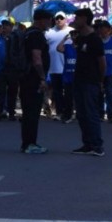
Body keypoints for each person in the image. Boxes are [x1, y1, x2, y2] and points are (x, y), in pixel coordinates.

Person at [71, 8, 106, 157]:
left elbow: (102, 62)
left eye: (77, 18)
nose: (75, 20)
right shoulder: (80, 38)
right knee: (81, 114)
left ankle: (97, 146)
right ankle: (87, 144)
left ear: (84, 19)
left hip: (91, 81)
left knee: (91, 113)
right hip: (79, 80)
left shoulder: (94, 39)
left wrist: (100, 80)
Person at [19, 9, 52, 154]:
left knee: (28, 111)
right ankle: (30, 143)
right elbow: (36, 58)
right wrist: (42, 78)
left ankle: (27, 143)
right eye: (48, 19)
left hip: (25, 76)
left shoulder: (27, 33)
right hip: (33, 78)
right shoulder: (36, 35)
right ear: (41, 20)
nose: (50, 22)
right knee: (32, 111)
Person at [46, 12, 72, 120]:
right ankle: (59, 112)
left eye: (61, 18)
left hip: (68, 68)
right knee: (57, 92)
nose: (59, 20)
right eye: (57, 18)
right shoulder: (49, 32)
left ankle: (69, 112)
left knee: (69, 92)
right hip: (53, 67)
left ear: (65, 19)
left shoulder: (71, 31)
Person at [97, 20, 112, 122]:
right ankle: (100, 114)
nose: (102, 31)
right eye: (100, 29)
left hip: (111, 72)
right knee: (99, 93)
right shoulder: (97, 41)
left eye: (104, 29)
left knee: (109, 93)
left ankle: (111, 115)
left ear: (108, 30)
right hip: (99, 72)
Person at [55, 30, 78, 123]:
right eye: (72, 35)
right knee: (68, 97)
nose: (74, 36)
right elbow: (58, 48)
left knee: (78, 97)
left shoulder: (81, 47)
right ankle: (68, 115)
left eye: (76, 34)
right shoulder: (67, 47)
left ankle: (79, 115)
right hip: (68, 76)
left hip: (78, 76)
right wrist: (64, 39)